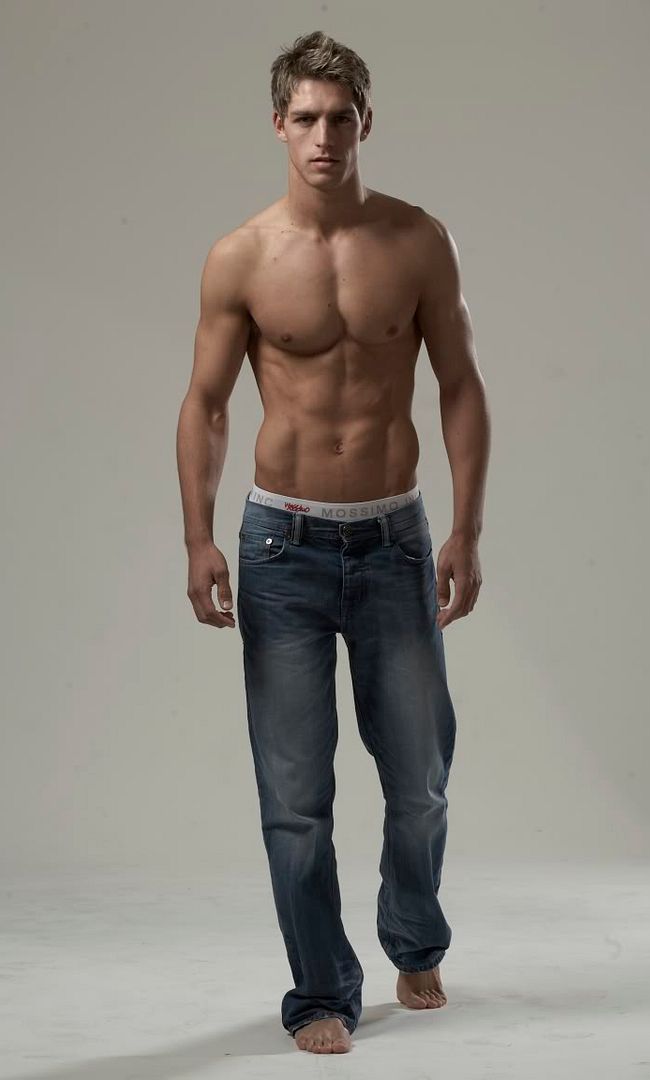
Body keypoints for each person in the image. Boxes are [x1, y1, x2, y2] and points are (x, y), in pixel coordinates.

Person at [176, 29, 490, 1055]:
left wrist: (467, 527)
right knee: (296, 797)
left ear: (366, 123)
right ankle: (320, 990)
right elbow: (206, 403)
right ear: (278, 124)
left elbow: (460, 385)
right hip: (282, 547)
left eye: (340, 118)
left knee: (421, 779)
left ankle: (414, 935)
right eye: (304, 117)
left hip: (395, 541)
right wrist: (198, 538)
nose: (323, 136)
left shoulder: (417, 241)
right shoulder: (242, 255)